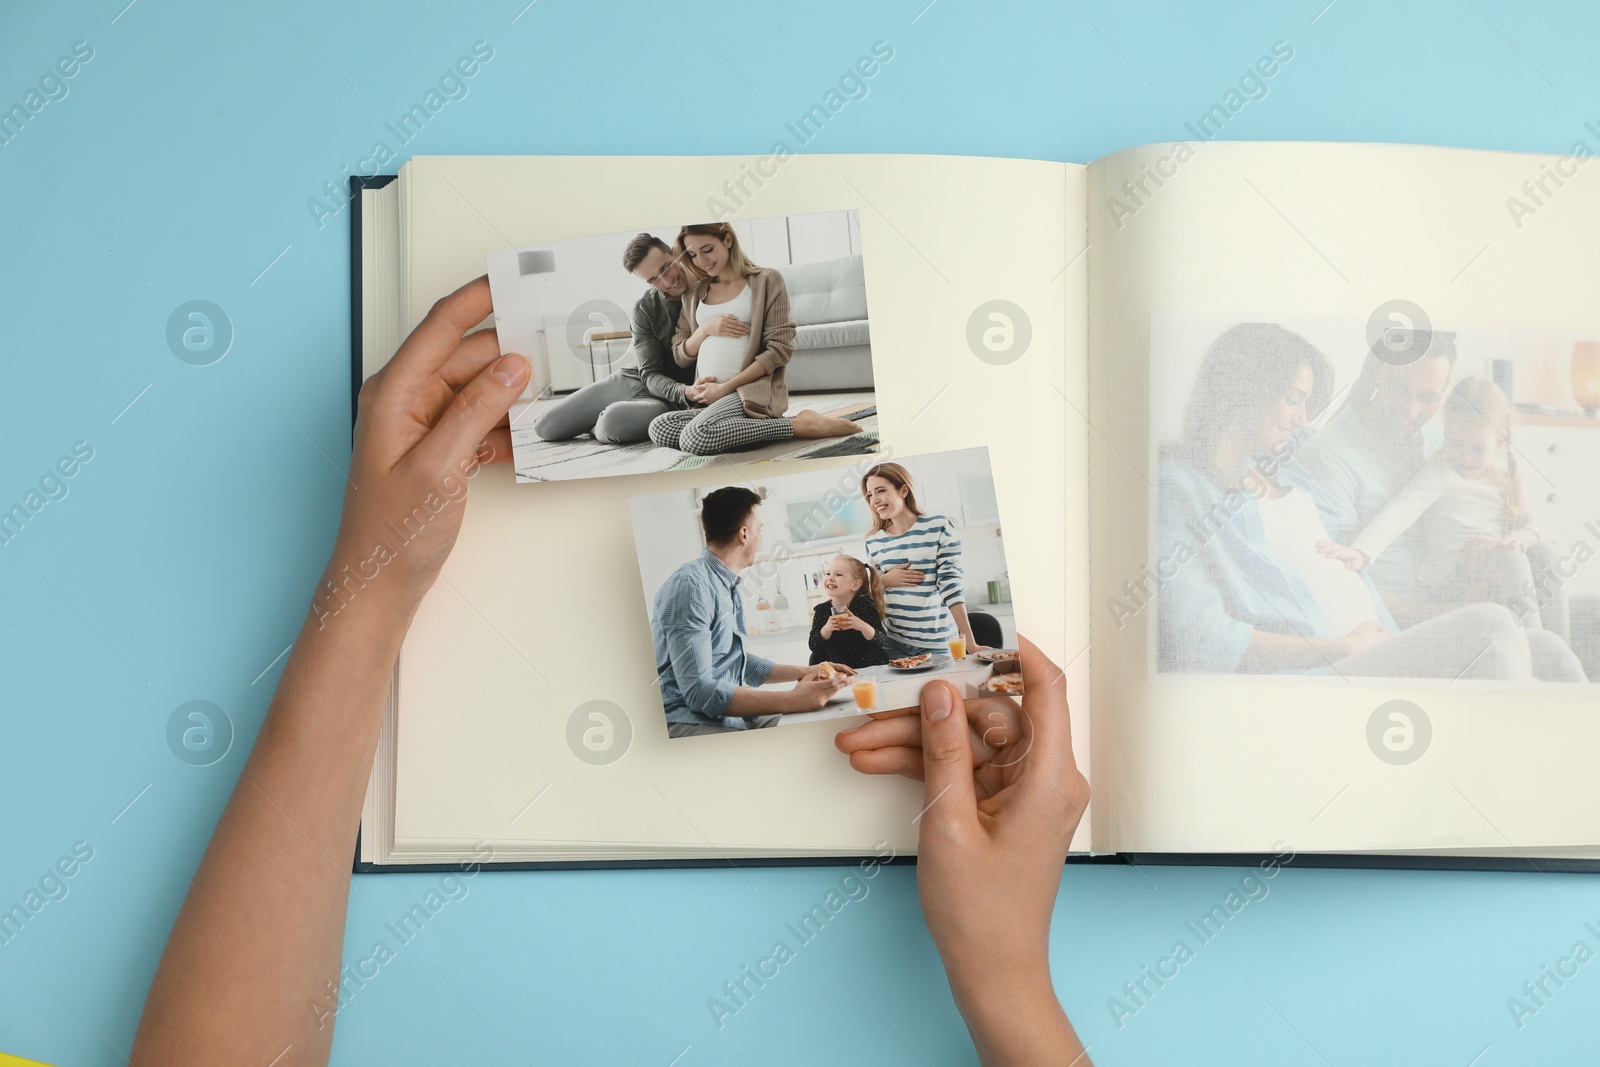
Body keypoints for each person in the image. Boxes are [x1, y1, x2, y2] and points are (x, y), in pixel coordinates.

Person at [130, 276, 1091, 1065]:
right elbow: (715, 687)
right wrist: (1009, 986)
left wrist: (813, 669)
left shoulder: (742, 572)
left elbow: (745, 662)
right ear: (748, 531)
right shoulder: (698, 581)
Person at [1157, 322, 1585, 681]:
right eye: (1292, 399)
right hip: (1332, 666)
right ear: (1241, 391)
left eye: (1305, 403)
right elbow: (1198, 636)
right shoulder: (1183, 487)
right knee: (1494, 625)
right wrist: (1335, 649)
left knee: (1550, 650)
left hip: (1388, 641)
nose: (1303, 418)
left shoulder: (1287, 464)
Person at [1318, 377, 1552, 629]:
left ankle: (1555, 644)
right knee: (1513, 558)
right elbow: (1400, 511)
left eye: (1477, 449)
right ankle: (1535, 646)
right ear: (1445, 433)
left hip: (1491, 575)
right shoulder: (1440, 472)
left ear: (1498, 443)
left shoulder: (1503, 478)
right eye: (1456, 444)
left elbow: (1534, 522)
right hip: (1450, 583)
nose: (1465, 457)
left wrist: (1526, 534)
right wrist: (1362, 551)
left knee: (1544, 552)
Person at [652, 485, 856, 736]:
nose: (762, 538)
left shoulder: (725, 584)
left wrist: (807, 670)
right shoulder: (690, 586)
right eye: (760, 529)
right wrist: (792, 700)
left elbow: (737, 661)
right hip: (690, 720)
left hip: (728, 716)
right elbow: (698, 691)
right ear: (745, 534)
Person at [647, 222, 860, 456]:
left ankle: (798, 426)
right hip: (707, 398)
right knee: (659, 427)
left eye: (707, 250)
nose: (702, 261)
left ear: (727, 240)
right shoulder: (694, 293)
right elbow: (680, 356)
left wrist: (725, 388)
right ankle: (728, 425)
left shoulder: (765, 280)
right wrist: (705, 329)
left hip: (746, 392)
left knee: (695, 438)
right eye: (693, 255)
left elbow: (779, 350)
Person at [530, 233, 697, 444]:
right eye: (653, 280)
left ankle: (599, 420)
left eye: (665, 268)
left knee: (610, 425)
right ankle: (597, 416)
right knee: (545, 427)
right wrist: (681, 390)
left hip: (675, 400)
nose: (667, 281)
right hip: (637, 379)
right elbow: (650, 373)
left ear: (675, 254)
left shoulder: (712, 290)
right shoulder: (644, 308)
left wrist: (684, 392)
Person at [861, 461, 984, 660]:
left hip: (937, 642)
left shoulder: (939, 526)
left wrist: (969, 642)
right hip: (892, 643)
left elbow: (951, 584)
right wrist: (885, 580)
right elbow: (870, 594)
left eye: (880, 491)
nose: (874, 500)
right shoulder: (873, 541)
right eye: (869, 494)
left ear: (903, 490)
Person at [809, 553, 890, 668]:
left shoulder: (866, 606)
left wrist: (862, 626)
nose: (830, 578)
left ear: (855, 584)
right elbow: (814, 646)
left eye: (838, 574)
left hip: (872, 669)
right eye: (828, 573)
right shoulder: (821, 611)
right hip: (841, 673)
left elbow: (882, 641)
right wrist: (826, 629)